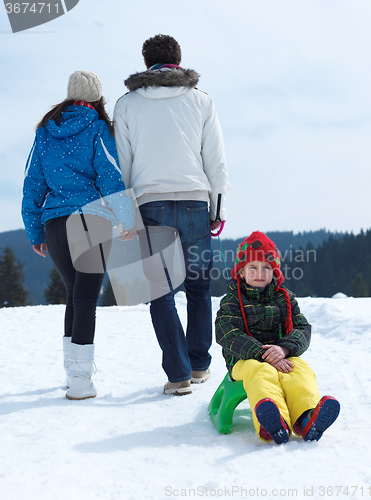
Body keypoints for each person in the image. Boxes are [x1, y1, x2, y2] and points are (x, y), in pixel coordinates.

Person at [114, 34, 230, 396]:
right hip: (196, 201)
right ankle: (199, 366)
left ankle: (178, 375)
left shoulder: (127, 104)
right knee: (199, 288)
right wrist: (218, 209)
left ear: (146, 62)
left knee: (160, 292)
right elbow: (216, 160)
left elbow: (123, 166)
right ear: (179, 59)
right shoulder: (202, 101)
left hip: (150, 205)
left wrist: (125, 216)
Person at [22, 70, 135, 400]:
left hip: (55, 225)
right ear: (98, 97)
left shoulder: (45, 131)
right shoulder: (97, 128)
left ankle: (72, 374)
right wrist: (127, 219)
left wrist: (34, 232)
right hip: (90, 221)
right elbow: (111, 177)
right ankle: (81, 382)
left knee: (75, 294)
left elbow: (32, 185)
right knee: (85, 296)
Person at [215, 231, 340, 443]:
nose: (259, 273)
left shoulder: (285, 297)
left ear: (274, 271)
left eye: (266, 268)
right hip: (244, 360)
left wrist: (284, 350)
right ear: (241, 272)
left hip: (282, 356)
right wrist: (263, 354)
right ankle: (273, 423)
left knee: (299, 368)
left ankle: (306, 417)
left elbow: (302, 328)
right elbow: (227, 332)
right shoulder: (232, 300)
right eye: (252, 267)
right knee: (261, 371)